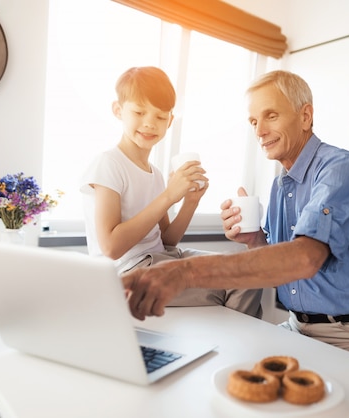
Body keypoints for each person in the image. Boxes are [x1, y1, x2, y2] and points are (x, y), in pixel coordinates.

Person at [121, 70, 349, 368]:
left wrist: (184, 272)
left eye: (271, 116)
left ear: (305, 116)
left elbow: (305, 259)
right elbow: (281, 268)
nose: (259, 131)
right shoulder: (282, 184)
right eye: (254, 121)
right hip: (299, 328)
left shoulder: (339, 169)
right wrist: (254, 240)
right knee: (225, 363)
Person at [80, 66, 262, 318]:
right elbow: (111, 247)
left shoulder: (154, 173)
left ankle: (238, 341)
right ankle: (238, 341)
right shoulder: (108, 164)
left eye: (160, 116)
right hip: (129, 273)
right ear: (118, 110)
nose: (149, 123)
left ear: (170, 121)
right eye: (139, 112)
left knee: (250, 270)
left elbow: (166, 240)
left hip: (163, 257)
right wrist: (168, 196)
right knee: (238, 282)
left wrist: (190, 202)